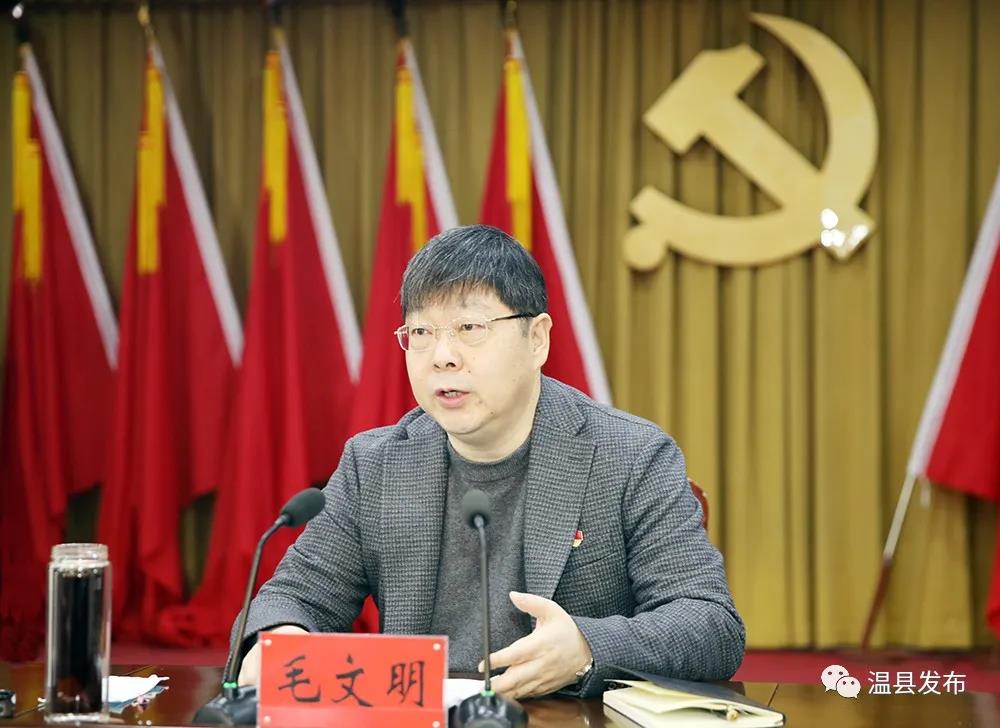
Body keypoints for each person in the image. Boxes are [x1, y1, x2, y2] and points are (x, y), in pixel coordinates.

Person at [236, 224, 745, 699]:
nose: (442, 356)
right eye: (421, 332)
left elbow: (711, 624)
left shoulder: (629, 456)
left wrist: (587, 647)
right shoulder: (376, 466)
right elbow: (294, 597)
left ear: (537, 339)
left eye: (469, 327)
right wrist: (280, 638)